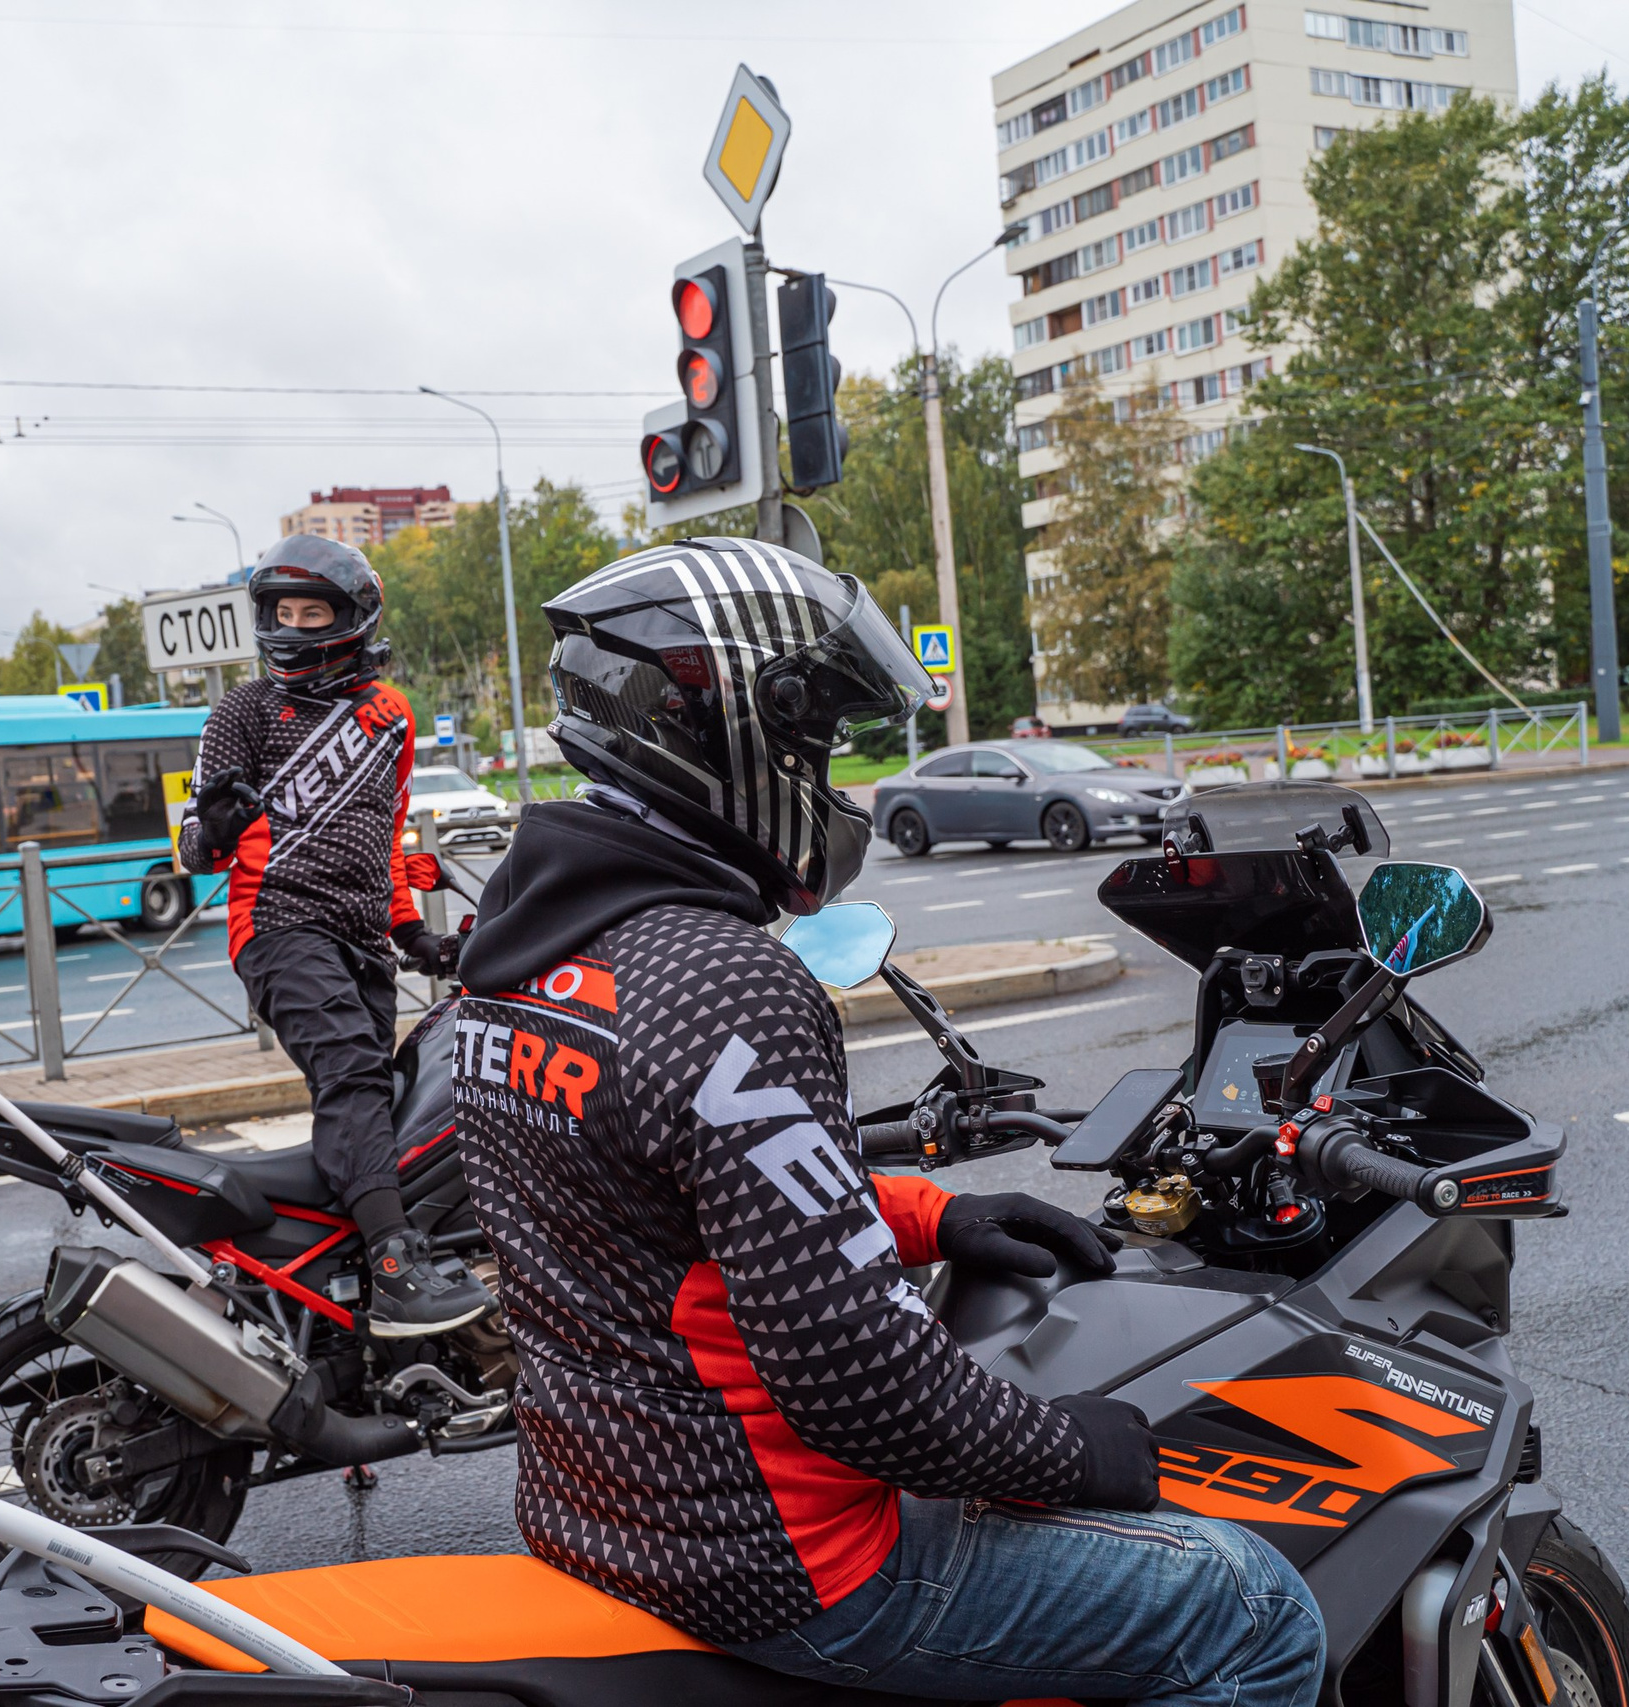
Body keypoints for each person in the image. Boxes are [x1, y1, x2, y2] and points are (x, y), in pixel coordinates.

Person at [451, 538, 1324, 1705]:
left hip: (593, 1510)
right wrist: (1080, 1449)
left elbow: (666, 1217)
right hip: (774, 1564)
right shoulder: (723, 982)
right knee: (1251, 1607)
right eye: (816, 745)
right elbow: (865, 1390)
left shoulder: (523, 956)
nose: (831, 782)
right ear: (730, 729)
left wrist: (930, 1216)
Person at [177, 534, 493, 1338]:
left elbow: (386, 834)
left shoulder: (388, 716)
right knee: (351, 1069)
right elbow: (193, 846)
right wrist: (213, 826)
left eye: (310, 610)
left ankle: (331, 1285)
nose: (292, 625)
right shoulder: (242, 710)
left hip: (362, 935)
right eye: (280, 611)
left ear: (352, 616)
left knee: (382, 1100)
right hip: (278, 923)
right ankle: (393, 1267)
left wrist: (413, 933)